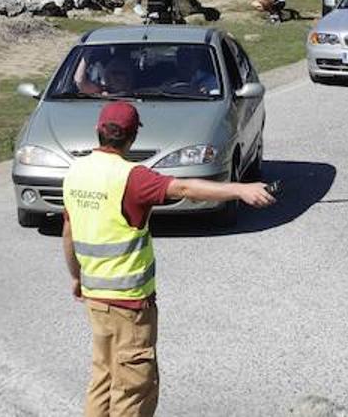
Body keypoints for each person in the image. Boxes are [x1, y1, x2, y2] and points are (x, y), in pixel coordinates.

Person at [63, 102, 275, 417]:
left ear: (99, 130)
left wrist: (77, 277)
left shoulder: (76, 171)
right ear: (132, 138)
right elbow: (185, 187)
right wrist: (239, 190)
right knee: (133, 388)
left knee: (103, 379)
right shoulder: (132, 177)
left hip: (96, 298)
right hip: (129, 305)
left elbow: (69, 232)